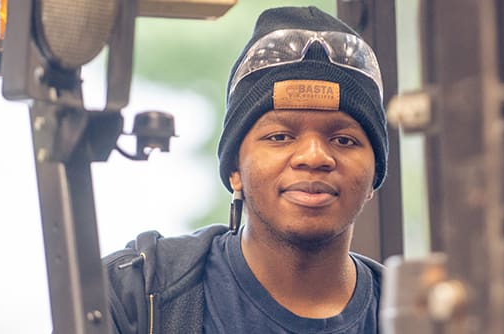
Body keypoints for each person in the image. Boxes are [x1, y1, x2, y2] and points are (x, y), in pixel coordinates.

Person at [103, 5, 389, 333]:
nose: (314, 156)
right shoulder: (136, 296)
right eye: (280, 136)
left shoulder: (417, 315)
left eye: (343, 140)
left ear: (373, 177)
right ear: (234, 170)